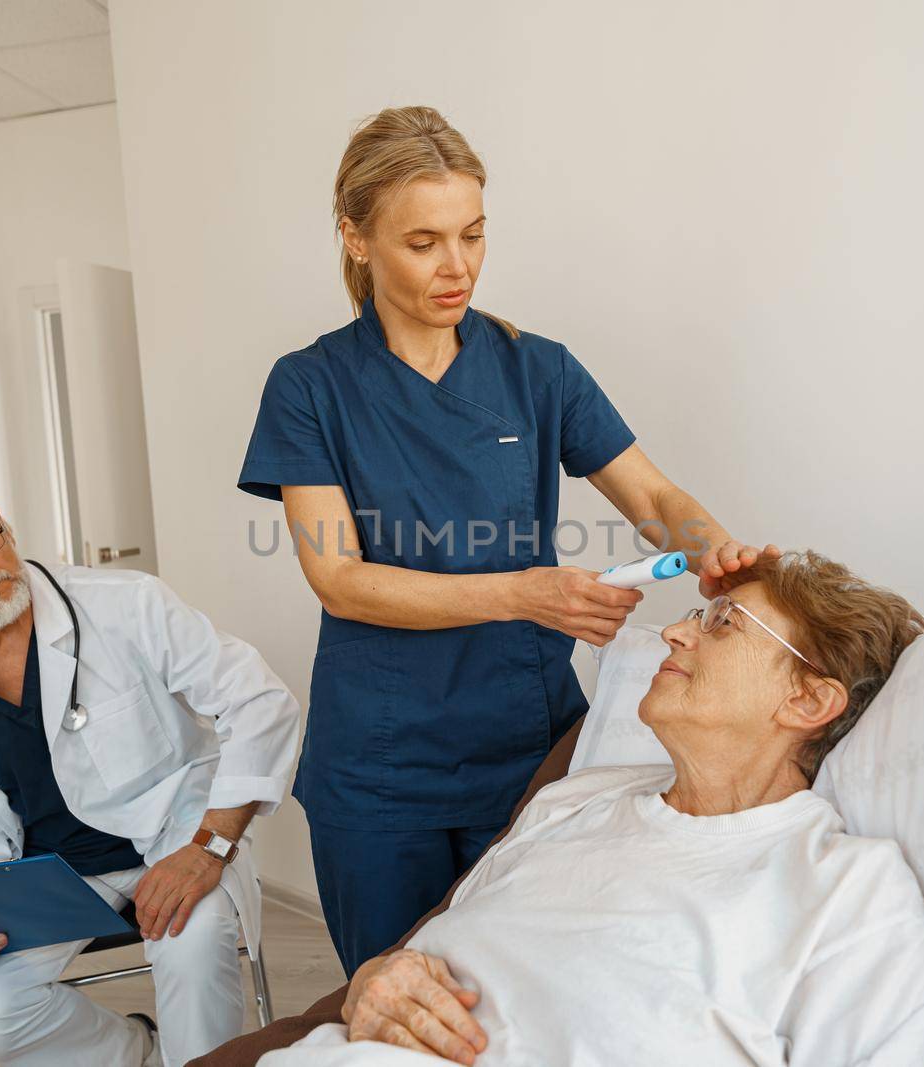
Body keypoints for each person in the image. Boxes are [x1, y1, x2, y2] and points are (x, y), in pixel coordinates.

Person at [236, 104, 777, 977]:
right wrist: (523, 593)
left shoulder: (538, 368)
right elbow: (338, 577)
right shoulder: (309, 386)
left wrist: (716, 548)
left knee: (533, 992)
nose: (458, 267)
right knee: (391, 1012)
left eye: (474, 235)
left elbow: (651, 492)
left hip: (528, 753)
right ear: (356, 236)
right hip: (382, 769)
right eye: (423, 242)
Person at [256, 551, 924, 1066]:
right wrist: (372, 984)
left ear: (808, 700)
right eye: (695, 613)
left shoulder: (844, 889)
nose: (675, 632)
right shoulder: (573, 800)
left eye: (723, 622)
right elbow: (431, 948)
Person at [0, 473, 302, 1067]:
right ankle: (140, 1053)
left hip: (177, 840)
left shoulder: (125, 603)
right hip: (51, 878)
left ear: (3, 522)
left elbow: (258, 700)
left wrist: (209, 847)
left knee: (192, 945)